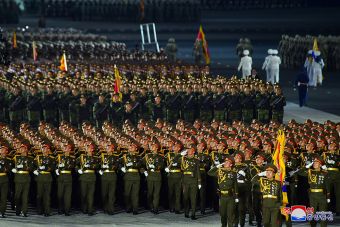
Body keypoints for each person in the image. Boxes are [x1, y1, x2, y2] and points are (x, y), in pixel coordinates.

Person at [208, 155, 238, 227]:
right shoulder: (220, 171)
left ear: (231, 164)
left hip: (230, 197)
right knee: (223, 214)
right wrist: (217, 166)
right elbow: (209, 173)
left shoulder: (233, 173)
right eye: (225, 161)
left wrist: (236, 196)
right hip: (222, 196)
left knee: (230, 214)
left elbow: (235, 185)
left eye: (227, 162)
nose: (225, 163)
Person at [33, 144, 55, 216]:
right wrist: (35, 170)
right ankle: (39, 210)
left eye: (46, 149)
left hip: (48, 177)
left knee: (47, 195)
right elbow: (33, 165)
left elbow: (53, 167)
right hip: (40, 177)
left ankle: (47, 211)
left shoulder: (51, 158)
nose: (45, 150)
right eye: (43, 149)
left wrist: (46, 168)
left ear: (48, 150)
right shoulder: (38, 157)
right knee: (39, 195)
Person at [56, 144, 75, 216]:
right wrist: (57, 170)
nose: (66, 150)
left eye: (68, 148)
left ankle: (67, 210)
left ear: (70, 150)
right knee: (60, 195)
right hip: (61, 177)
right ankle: (60, 209)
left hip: (68, 177)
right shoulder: (59, 157)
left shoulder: (72, 157)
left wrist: (65, 166)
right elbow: (55, 164)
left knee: (67, 196)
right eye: (65, 148)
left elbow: (72, 165)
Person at [0, 145, 13, 218]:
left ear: (6, 151)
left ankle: (2, 212)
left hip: (4, 179)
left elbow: (8, 169)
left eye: (3, 150)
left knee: (3, 197)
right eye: (1, 150)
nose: (2, 151)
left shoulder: (9, 160)